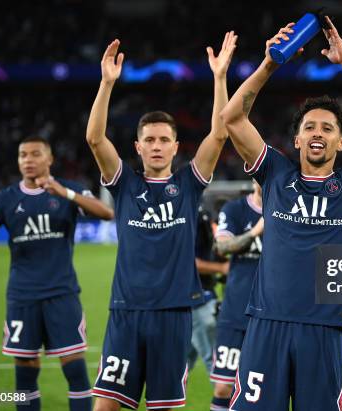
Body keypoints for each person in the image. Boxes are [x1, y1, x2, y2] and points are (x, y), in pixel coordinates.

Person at [220, 17, 342, 410]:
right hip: (267, 322)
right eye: (310, 126)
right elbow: (232, 119)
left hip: (323, 326)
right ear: (297, 138)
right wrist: (268, 65)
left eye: (328, 128)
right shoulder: (274, 172)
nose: (318, 132)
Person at [86, 31, 237, 411]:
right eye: (149, 140)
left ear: (175, 146)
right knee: (104, 406)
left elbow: (219, 135)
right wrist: (106, 84)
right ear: (138, 146)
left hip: (173, 315)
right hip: (126, 310)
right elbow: (94, 138)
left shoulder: (187, 184)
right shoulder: (124, 184)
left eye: (163, 140)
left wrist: (219, 79)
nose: (156, 146)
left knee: (163, 407)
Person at [0, 136, 114, 411]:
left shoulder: (68, 190)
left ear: (50, 159)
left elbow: (106, 213)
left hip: (62, 294)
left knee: (76, 371)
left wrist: (65, 193)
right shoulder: (6, 198)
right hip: (22, 298)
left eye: (35, 154)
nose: (28, 160)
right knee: (25, 376)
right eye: (23, 155)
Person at [209, 180, 263, 411]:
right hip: (234, 314)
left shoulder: (290, 212)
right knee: (223, 387)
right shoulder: (234, 210)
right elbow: (222, 247)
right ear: (253, 178)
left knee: (261, 390)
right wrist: (255, 231)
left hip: (270, 317)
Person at [188, 205, 229, 373]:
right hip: (198, 300)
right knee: (219, 369)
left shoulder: (195, 213)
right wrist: (222, 268)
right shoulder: (196, 216)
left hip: (182, 302)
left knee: (175, 371)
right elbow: (187, 262)